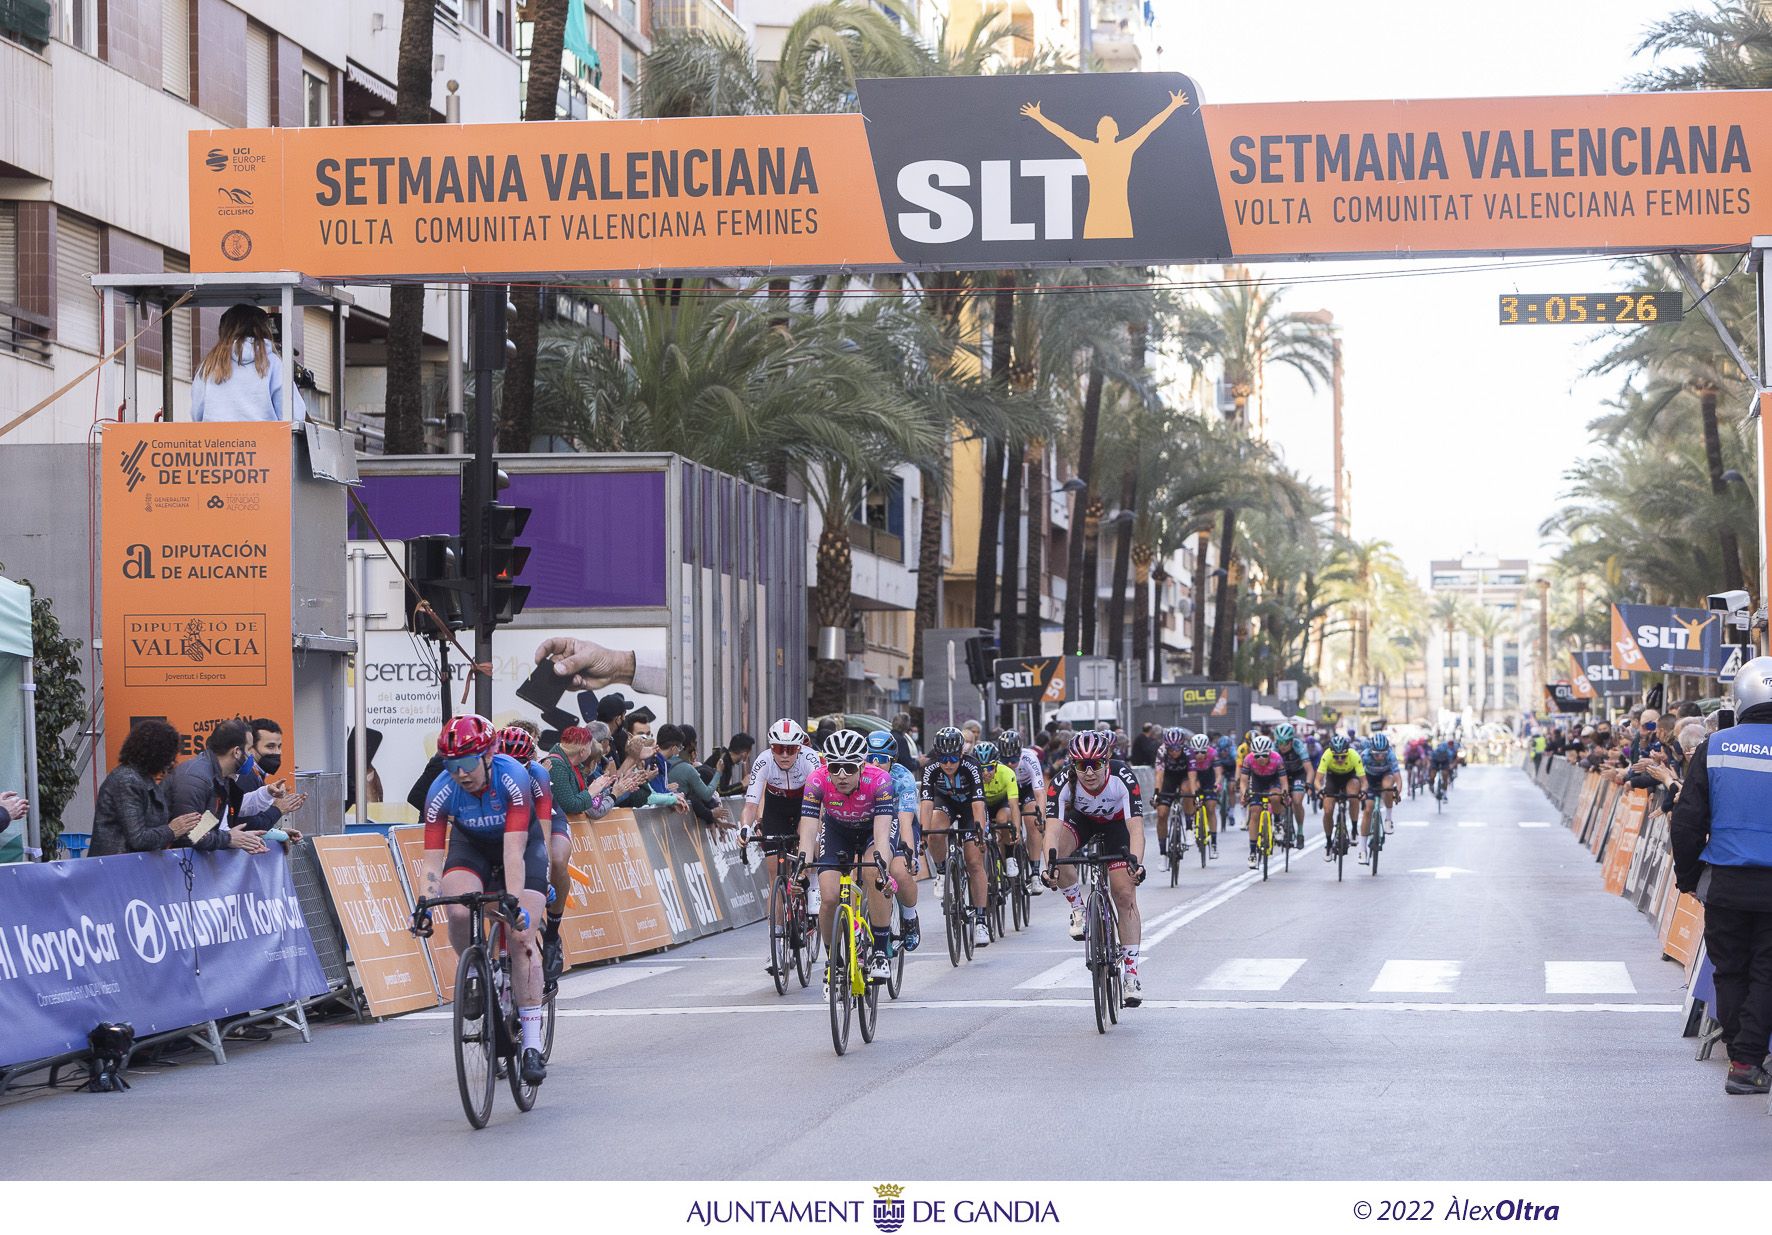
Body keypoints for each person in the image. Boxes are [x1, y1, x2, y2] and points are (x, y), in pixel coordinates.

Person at [419, 715, 549, 1087]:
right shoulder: (442, 790)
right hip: (471, 847)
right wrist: (423, 904)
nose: (459, 773)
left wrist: (512, 902)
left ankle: (532, 1046)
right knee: (456, 907)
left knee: (522, 936)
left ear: (489, 755)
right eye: (450, 765)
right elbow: (431, 861)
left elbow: (514, 851)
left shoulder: (514, 778)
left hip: (519, 848)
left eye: (465, 764)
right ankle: (476, 972)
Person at [1671, 657, 1772, 1095]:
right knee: (1767, 972)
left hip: (1726, 883)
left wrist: (1689, 877)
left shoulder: (1716, 746)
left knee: (1729, 972)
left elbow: (1687, 821)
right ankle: (1748, 1061)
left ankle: (1741, 1058)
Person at [1044, 730, 1148, 1005]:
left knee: (1124, 893)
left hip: (1117, 827)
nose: (1089, 772)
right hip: (1083, 821)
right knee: (1059, 854)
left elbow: (1135, 829)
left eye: (1096, 764)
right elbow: (1051, 833)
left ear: (1107, 759)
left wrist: (1136, 863)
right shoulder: (1061, 783)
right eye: (1081, 765)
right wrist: (1049, 866)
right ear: (1072, 764)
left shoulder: (1122, 777)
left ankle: (1131, 975)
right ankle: (1079, 910)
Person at [799, 729, 898, 986]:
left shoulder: (880, 780)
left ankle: (879, 951)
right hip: (837, 830)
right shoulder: (817, 780)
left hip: (870, 830)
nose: (841, 775)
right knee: (830, 896)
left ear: (862, 766)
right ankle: (833, 961)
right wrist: (802, 863)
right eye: (835, 767)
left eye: (849, 768)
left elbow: (883, 833)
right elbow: (809, 828)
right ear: (827, 766)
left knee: (873, 873)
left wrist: (883, 867)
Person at [741, 719, 821, 970]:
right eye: (778, 748)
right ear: (771, 747)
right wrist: (745, 827)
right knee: (775, 873)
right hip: (776, 807)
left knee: (808, 845)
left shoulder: (810, 760)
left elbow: (821, 803)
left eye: (791, 749)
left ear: (800, 747)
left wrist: (814, 832)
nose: (784, 755)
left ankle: (812, 886)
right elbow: (751, 805)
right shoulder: (763, 761)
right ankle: (775, 946)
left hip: (806, 805)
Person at [498, 724, 563, 990]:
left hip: (541, 819)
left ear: (531, 762)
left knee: (557, 858)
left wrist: (543, 878)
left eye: (520, 764)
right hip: (509, 821)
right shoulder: (491, 774)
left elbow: (543, 831)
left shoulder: (537, 776)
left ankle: (552, 934)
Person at [163, 720, 289, 855]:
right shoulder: (197, 779)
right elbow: (189, 836)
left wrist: (266, 793)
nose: (252, 756)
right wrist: (229, 838)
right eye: (248, 749)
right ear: (236, 752)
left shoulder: (221, 777)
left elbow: (212, 822)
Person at [920, 725, 992, 948]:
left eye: (953, 758)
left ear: (961, 753)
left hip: (971, 807)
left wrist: (979, 832)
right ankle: (942, 871)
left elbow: (979, 804)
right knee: (935, 829)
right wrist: (923, 834)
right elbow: (926, 803)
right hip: (947, 804)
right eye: (943, 758)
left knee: (974, 861)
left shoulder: (972, 766)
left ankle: (981, 920)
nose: (948, 763)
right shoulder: (931, 769)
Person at [88, 720, 205, 856]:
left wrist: (181, 830)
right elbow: (138, 838)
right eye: (169, 755)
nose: (172, 762)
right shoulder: (127, 781)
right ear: (156, 754)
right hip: (116, 868)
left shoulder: (143, 780)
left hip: (131, 866)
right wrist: (172, 830)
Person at [190, 304, 306, 423]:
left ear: (224, 330)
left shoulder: (209, 364)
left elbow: (196, 413)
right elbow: (294, 415)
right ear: (264, 329)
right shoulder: (273, 364)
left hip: (216, 440)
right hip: (265, 439)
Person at [866, 729, 924, 951]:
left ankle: (909, 917)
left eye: (882, 760)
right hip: (873, 825)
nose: (876, 764)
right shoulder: (861, 776)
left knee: (899, 870)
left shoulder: (903, 778)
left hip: (901, 824)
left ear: (893, 761)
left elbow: (906, 821)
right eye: (870, 758)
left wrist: (910, 855)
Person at [236, 718, 306, 837]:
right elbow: (246, 826)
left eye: (279, 746)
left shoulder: (256, 774)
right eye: (270, 747)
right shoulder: (244, 776)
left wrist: (279, 831)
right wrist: (278, 809)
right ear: (250, 749)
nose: (277, 752)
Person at [997, 729, 1046, 891]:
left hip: (1025, 789)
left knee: (1032, 820)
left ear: (1020, 753)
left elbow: (1039, 792)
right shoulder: (995, 760)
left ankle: (1035, 873)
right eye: (1006, 760)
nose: (1010, 764)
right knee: (1003, 823)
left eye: (1013, 759)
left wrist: (1041, 815)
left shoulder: (1029, 757)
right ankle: (1003, 867)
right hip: (1006, 791)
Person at [1237, 734, 1292, 868]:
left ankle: (1278, 823)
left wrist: (1284, 793)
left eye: (1264, 755)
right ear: (1253, 754)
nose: (1260, 758)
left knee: (1275, 797)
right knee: (1255, 812)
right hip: (1257, 782)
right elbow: (1243, 781)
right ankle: (1252, 852)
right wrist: (1244, 794)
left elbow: (1284, 781)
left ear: (1269, 753)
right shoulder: (1248, 759)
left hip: (1273, 781)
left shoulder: (1277, 758)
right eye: (1257, 756)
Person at [1315, 733, 1367, 862]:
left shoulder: (1354, 755)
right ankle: (1328, 843)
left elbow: (1364, 782)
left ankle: (1354, 829)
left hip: (1350, 777)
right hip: (1333, 778)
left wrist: (1363, 791)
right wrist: (1320, 790)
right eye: (1336, 756)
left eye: (1343, 756)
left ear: (1347, 752)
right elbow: (1317, 780)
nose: (1339, 759)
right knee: (1327, 810)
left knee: (1354, 795)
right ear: (1331, 752)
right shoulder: (1327, 755)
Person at [1152, 726, 1193, 865]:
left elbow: (1192, 776)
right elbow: (1159, 775)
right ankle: (1163, 853)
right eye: (1171, 749)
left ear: (1182, 746)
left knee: (1187, 791)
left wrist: (1194, 795)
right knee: (1162, 814)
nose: (1174, 752)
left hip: (1184, 777)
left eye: (1177, 748)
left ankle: (1189, 828)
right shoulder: (1161, 751)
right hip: (1168, 778)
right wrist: (1156, 794)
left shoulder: (1188, 751)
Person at [704, 732, 754, 796]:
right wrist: (741, 784)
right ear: (744, 754)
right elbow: (720, 791)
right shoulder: (722, 761)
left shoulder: (727, 760)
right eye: (749, 753)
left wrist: (742, 787)